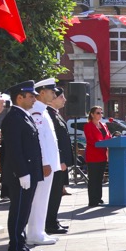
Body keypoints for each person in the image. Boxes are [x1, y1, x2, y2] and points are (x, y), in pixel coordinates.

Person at [0, 82, 44, 251]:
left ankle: (21, 244)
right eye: (31, 96)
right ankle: (16, 247)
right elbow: (14, 150)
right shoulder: (13, 118)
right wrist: (22, 173)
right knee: (19, 211)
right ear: (20, 97)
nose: (34, 99)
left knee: (24, 210)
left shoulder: (23, 116)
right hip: (21, 174)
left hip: (28, 171)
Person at [25, 79, 62, 247]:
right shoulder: (36, 111)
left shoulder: (43, 110)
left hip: (48, 163)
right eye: (51, 92)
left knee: (43, 198)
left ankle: (39, 231)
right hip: (43, 164)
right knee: (38, 199)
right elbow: (39, 140)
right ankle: (34, 234)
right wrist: (45, 162)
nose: (54, 95)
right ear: (42, 92)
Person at [44, 85, 72, 235]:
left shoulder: (55, 114)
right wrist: (60, 160)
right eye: (61, 97)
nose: (64, 99)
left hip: (60, 162)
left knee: (57, 193)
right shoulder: (48, 114)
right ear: (52, 99)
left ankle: (53, 221)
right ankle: (50, 223)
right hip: (56, 163)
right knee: (53, 193)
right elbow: (53, 142)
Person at [83, 106, 110, 207]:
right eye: (98, 113)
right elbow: (90, 140)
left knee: (99, 178)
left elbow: (109, 137)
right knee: (93, 178)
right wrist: (102, 143)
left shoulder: (104, 125)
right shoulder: (88, 126)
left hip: (103, 155)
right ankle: (92, 200)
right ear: (92, 114)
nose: (100, 115)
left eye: (101, 113)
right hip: (93, 155)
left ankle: (98, 198)